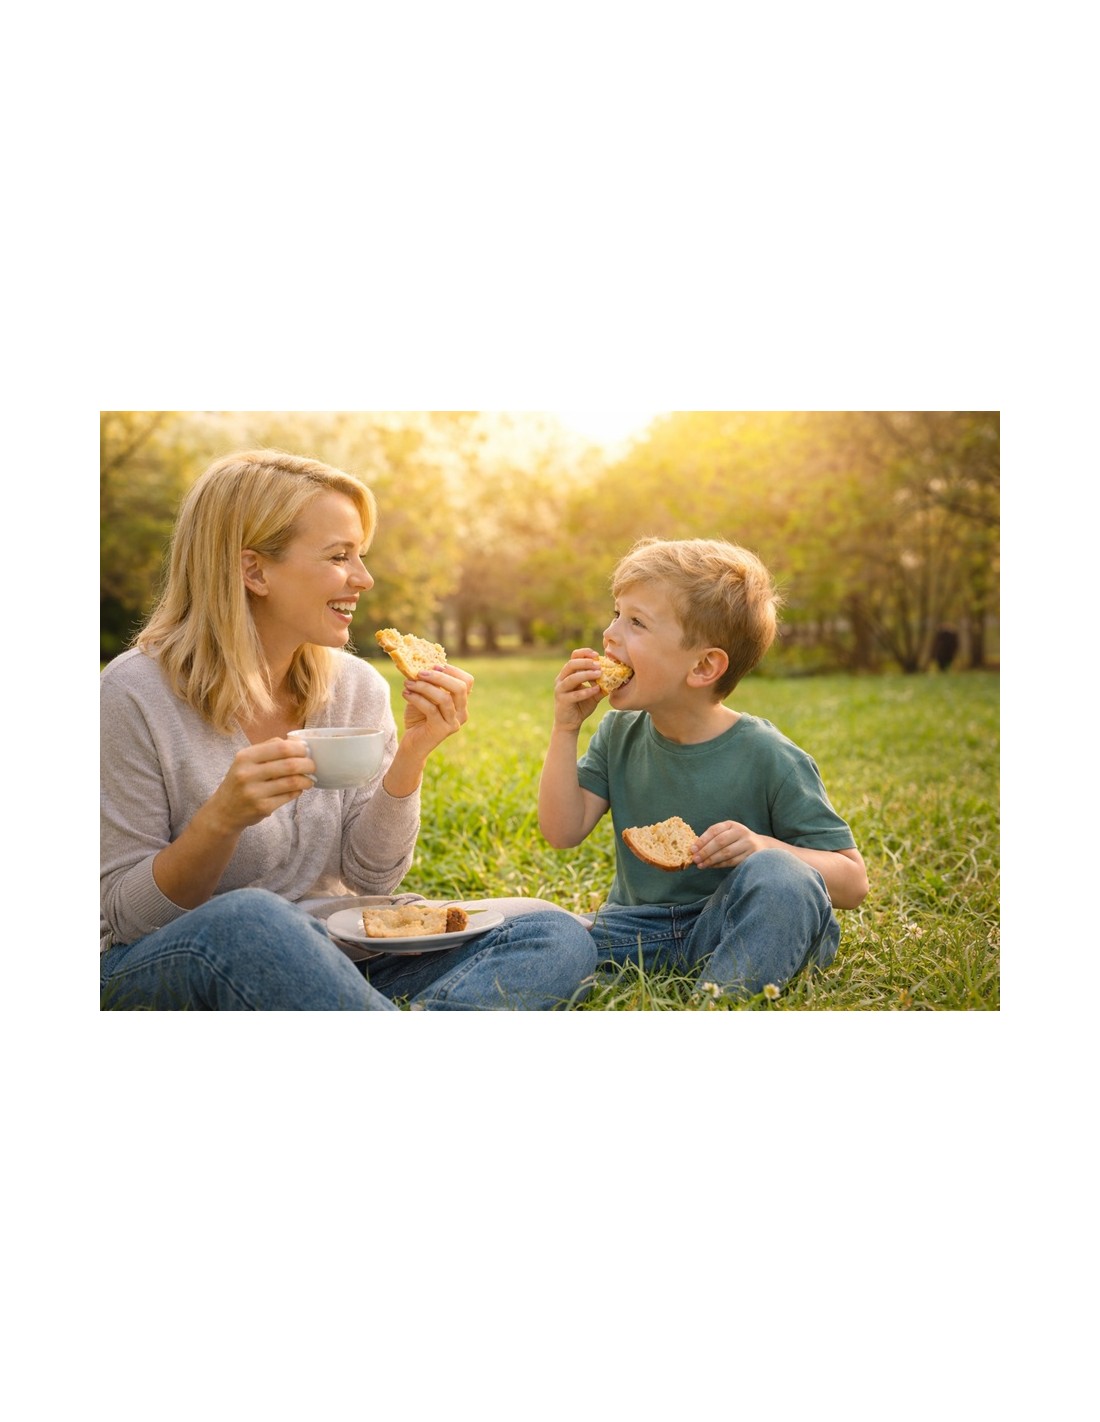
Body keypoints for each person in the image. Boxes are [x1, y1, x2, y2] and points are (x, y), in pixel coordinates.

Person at [100, 449, 596, 1010]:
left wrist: (411, 754)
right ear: (253, 570)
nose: (364, 578)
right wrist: (220, 821)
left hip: (337, 945)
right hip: (185, 955)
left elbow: (371, 880)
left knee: (549, 931)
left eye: (361, 555)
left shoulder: (357, 687)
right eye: (340, 556)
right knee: (252, 917)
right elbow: (128, 917)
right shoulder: (133, 694)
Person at [538, 537, 869, 1000]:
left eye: (636, 622)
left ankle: (721, 997)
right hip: (641, 932)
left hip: (737, 923)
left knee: (782, 877)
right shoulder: (620, 732)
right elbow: (562, 831)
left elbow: (852, 883)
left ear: (703, 666)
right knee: (537, 927)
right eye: (616, 613)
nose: (610, 634)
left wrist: (761, 846)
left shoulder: (769, 755)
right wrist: (565, 728)